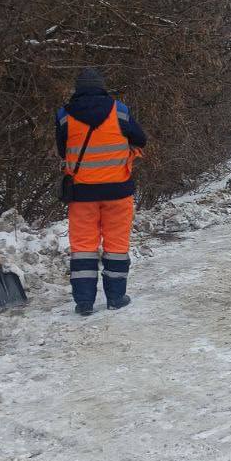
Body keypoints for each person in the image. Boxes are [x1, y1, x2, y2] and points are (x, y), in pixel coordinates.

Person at [56, 68, 147, 316]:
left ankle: (84, 302)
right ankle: (116, 298)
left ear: (77, 88)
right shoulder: (119, 111)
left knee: (83, 246)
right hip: (118, 192)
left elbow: (62, 151)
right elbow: (141, 138)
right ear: (102, 87)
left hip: (81, 193)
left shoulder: (65, 115)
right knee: (116, 245)